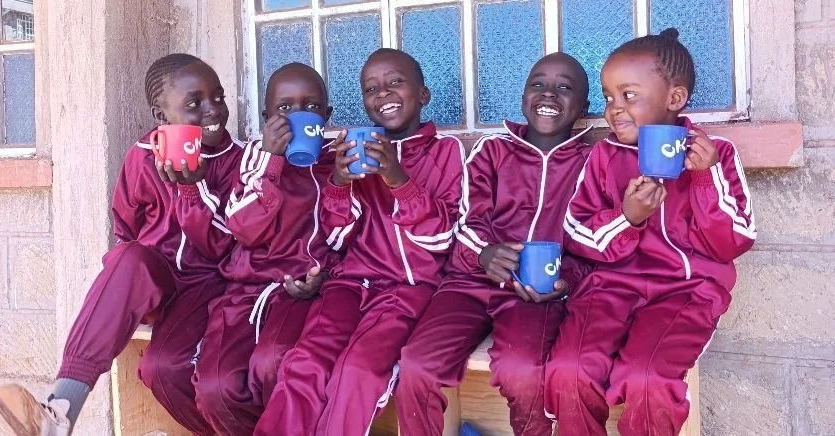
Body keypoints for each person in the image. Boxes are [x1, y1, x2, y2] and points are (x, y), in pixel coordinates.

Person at [0, 53, 242, 435]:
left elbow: (228, 243)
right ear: (161, 116)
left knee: (162, 370)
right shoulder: (143, 156)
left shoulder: (237, 159)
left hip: (210, 285)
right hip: (158, 286)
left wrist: (194, 187)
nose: (213, 110)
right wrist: (133, 284)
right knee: (128, 257)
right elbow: (127, 225)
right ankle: (59, 411)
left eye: (219, 98)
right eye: (194, 104)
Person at [545, 28, 756, 436]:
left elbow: (735, 241)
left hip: (686, 292)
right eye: (608, 97)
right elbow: (576, 234)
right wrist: (627, 217)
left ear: (674, 100)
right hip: (609, 288)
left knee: (647, 380)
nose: (614, 109)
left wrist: (704, 179)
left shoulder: (715, 155)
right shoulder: (603, 156)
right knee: (569, 370)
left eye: (628, 95)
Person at [255, 48, 465, 436]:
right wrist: (338, 184)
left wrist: (397, 179)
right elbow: (334, 238)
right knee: (305, 364)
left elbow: (440, 240)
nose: (383, 94)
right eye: (371, 89)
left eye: (395, 83)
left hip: (409, 290)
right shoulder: (347, 154)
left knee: (358, 372)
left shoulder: (445, 152)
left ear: (423, 95)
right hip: (348, 285)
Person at [394, 53, 594, 436]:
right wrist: (484, 251)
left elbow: (590, 241)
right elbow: (466, 218)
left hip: (535, 292)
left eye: (564, 88)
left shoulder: (591, 161)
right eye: (537, 84)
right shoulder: (493, 150)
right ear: (523, 96)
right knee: (417, 364)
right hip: (470, 281)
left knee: (522, 370)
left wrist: (564, 281)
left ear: (584, 107)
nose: (548, 94)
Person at [191, 62, 338, 436]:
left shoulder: (336, 161)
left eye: (310, 108)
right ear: (266, 117)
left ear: (326, 116)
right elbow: (242, 228)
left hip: (302, 293)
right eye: (284, 109)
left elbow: (347, 234)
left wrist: (322, 276)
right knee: (214, 387)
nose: (296, 117)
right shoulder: (254, 158)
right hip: (246, 290)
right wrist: (272, 161)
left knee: (273, 364)